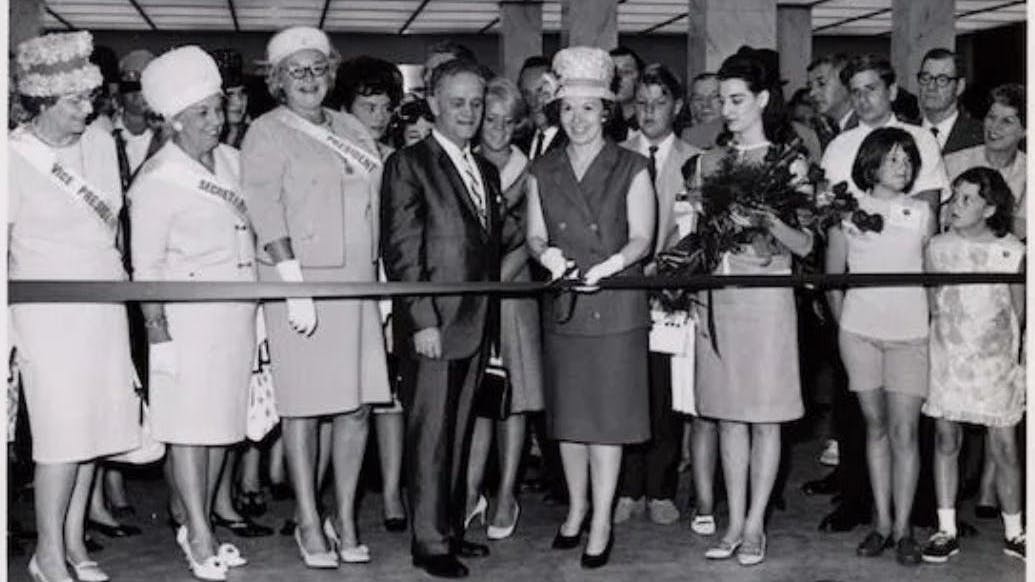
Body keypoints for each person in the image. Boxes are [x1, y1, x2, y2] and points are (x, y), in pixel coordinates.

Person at [241, 26, 391, 569]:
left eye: (317, 68)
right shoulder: (265, 132)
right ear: (278, 81)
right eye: (296, 71)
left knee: (357, 407)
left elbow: (376, 204)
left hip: (357, 282)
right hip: (299, 284)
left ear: (331, 73)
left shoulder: (351, 127)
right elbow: (264, 210)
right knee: (303, 409)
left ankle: (344, 517)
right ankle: (308, 520)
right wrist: (291, 282)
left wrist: (383, 278)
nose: (308, 79)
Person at [9, 30, 141, 582]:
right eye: (74, 100)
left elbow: (112, 231)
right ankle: (47, 555)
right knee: (61, 433)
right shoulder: (11, 156)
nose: (87, 109)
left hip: (101, 303)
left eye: (89, 97)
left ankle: (72, 542)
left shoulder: (100, 144)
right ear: (41, 101)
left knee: (94, 428)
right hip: (45, 314)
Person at [381, 57, 515, 579]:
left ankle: (451, 528)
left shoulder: (484, 168)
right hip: (435, 324)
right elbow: (402, 251)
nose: (468, 112)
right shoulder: (408, 164)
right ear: (433, 103)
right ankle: (430, 543)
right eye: (457, 103)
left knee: (457, 433)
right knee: (431, 436)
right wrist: (423, 322)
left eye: (476, 103)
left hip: (476, 322)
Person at [131, 46, 258, 581]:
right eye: (203, 112)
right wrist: (157, 331)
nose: (216, 120)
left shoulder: (232, 161)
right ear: (175, 120)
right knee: (187, 426)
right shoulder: (157, 178)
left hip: (236, 315)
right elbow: (146, 267)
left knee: (221, 426)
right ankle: (200, 534)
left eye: (218, 108)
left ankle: (196, 521)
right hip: (185, 320)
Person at [526, 46, 655, 569]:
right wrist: (547, 256)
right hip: (565, 306)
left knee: (606, 421)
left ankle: (602, 519)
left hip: (615, 305)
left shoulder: (632, 165)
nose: (577, 119)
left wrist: (610, 266)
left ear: (607, 111)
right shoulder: (542, 168)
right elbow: (535, 233)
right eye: (567, 108)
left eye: (588, 108)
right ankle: (576, 508)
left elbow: (643, 236)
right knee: (570, 419)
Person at [688, 53, 811, 568]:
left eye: (737, 100)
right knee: (728, 416)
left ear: (762, 99)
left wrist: (767, 221)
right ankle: (734, 521)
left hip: (767, 299)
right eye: (722, 100)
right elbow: (696, 239)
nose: (727, 110)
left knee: (765, 416)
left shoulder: (790, 162)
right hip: (720, 296)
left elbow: (805, 244)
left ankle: (757, 523)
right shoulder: (708, 162)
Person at [825, 127, 935, 566]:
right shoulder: (845, 214)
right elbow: (833, 280)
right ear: (870, 165)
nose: (903, 166)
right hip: (860, 334)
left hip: (910, 334)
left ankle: (905, 528)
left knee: (905, 431)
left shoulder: (922, 213)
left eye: (907, 159)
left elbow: (932, 278)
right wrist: (847, 326)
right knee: (875, 427)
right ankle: (882, 523)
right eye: (893, 159)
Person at [921, 167, 1026, 564]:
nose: (955, 205)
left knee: (1005, 447)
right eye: (954, 197)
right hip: (949, 357)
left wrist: (1011, 359)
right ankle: (946, 529)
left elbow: (1019, 312)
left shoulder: (1011, 251)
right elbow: (933, 302)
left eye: (967, 199)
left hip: (994, 363)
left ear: (990, 208)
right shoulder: (937, 248)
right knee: (946, 440)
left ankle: (1015, 532)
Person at [615, 63, 700, 527]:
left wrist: (670, 268)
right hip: (625, 287)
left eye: (659, 103)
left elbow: (699, 231)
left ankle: (661, 488)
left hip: (672, 293)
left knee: (665, 392)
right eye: (642, 103)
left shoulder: (698, 160)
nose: (649, 112)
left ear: (678, 106)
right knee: (627, 388)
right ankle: (628, 487)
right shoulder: (615, 155)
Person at [330, 53, 409, 532]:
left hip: (389, 284)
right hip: (348, 284)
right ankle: (335, 503)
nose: (378, 117)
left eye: (385, 108)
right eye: (368, 107)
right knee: (345, 398)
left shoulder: (397, 159)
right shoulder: (331, 153)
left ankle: (393, 493)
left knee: (390, 394)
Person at [463, 77, 544, 542]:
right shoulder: (462, 164)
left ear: (519, 125)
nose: (497, 129)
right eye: (489, 119)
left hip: (512, 294)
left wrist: (495, 281)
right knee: (477, 400)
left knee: (515, 399)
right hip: (471, 295)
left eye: (507, 121)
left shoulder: (531, 172)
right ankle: (470, 492)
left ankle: (507, 494)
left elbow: (535, 238)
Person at [821, 55, 949, 218]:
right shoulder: (837, 147)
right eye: (856, 92)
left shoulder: (922, 139)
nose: (862, 99)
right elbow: (826, 205)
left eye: (871, 89)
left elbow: (927, 209)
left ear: (892, 91)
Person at [945, 84, 1026, 238]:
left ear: (1024, 131)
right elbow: (944, 220)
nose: (994, 127)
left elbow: (1024, 230)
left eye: (1007, 121)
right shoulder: (953, 163)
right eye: (991, 117)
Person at [917, 48, 984, 155]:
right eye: (925, 78)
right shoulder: (904, 133)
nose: (931, 86)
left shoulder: (980, 137)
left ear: (959, 86)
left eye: (942, 80)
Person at [806, 54, 856, 148]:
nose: (812, 93)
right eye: (810, 87)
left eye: (821, 84)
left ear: (847, 84)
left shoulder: (862, 130)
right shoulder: (835, 129)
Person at [607, 46, 644, 141]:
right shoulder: (604, 125)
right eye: (612, 73)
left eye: (626, 72)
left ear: (640, 77)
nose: (618, 78)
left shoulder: (653, 123)